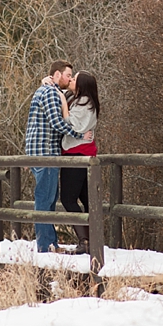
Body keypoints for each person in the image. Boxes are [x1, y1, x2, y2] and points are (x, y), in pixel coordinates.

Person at [25, 60, 92, 253]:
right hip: (45, 154)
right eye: (68, 75)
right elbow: (58, 123)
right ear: (56, 75)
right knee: (45, 199)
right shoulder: (50, 93)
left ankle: (50, 243)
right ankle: (46, 246)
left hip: (42, 152)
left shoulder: (50, 91)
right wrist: (81, 135)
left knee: (49, 198)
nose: (70, 79)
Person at [57, 71, 100, 255]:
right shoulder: (77, 99)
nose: (71, 80)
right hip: (78, 153)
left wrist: (63, 104)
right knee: (85, 198)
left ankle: (85, 241)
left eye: (74, 78)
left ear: (82, 85)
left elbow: (71, 124)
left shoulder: (85, 104)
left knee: (68, 198)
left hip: (78, 154)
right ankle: (91, 239)